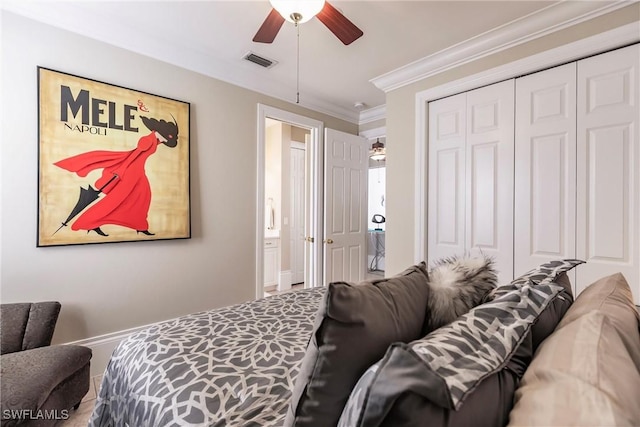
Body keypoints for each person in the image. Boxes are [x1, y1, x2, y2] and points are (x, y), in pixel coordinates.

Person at [54, 115, 179, 236]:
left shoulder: (153, 140)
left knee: (143, 196)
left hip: (138, 172)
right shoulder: (147, 140)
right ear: (160, 132)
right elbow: (133, 156)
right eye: (165, 139)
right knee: (115, 200)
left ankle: (139, 224)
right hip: (131, 172)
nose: (164, 142)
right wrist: (121, 170)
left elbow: (149, 148)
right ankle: (88, 222)